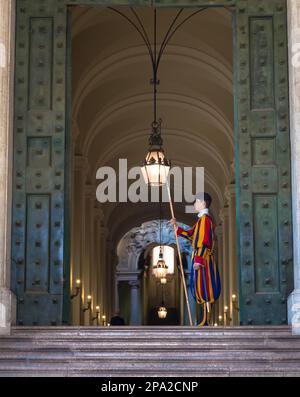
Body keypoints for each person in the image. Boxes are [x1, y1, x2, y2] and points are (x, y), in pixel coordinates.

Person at [171, 192, 221, 326]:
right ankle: (203, 319)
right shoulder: (201, 220)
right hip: (199, 258)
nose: (194, 204)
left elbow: (204, 241)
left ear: (203, 203)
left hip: (203, 259)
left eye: (196, 202)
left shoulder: (205, 220)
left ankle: (205, 320)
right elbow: (191, 235)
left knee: (205, 287)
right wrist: (177, 228)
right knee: (199, 287)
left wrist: (198, 260)